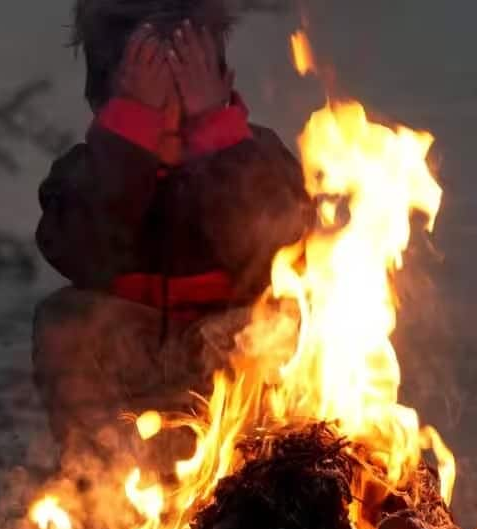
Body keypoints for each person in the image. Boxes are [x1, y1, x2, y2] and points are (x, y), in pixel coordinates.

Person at [32, 0, 310, 470]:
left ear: (223, 86)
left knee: (283, 315)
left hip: (229, 369)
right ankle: (100, 481)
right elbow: (82, 252)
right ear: (106, 105)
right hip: (131, 369)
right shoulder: (87, 172)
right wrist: (130, 139)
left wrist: (215, 135)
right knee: (63, 319)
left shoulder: (254, 157)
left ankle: (257, 478)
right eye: (152, 106)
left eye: (188, 99)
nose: (173, 122)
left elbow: (269, 248)